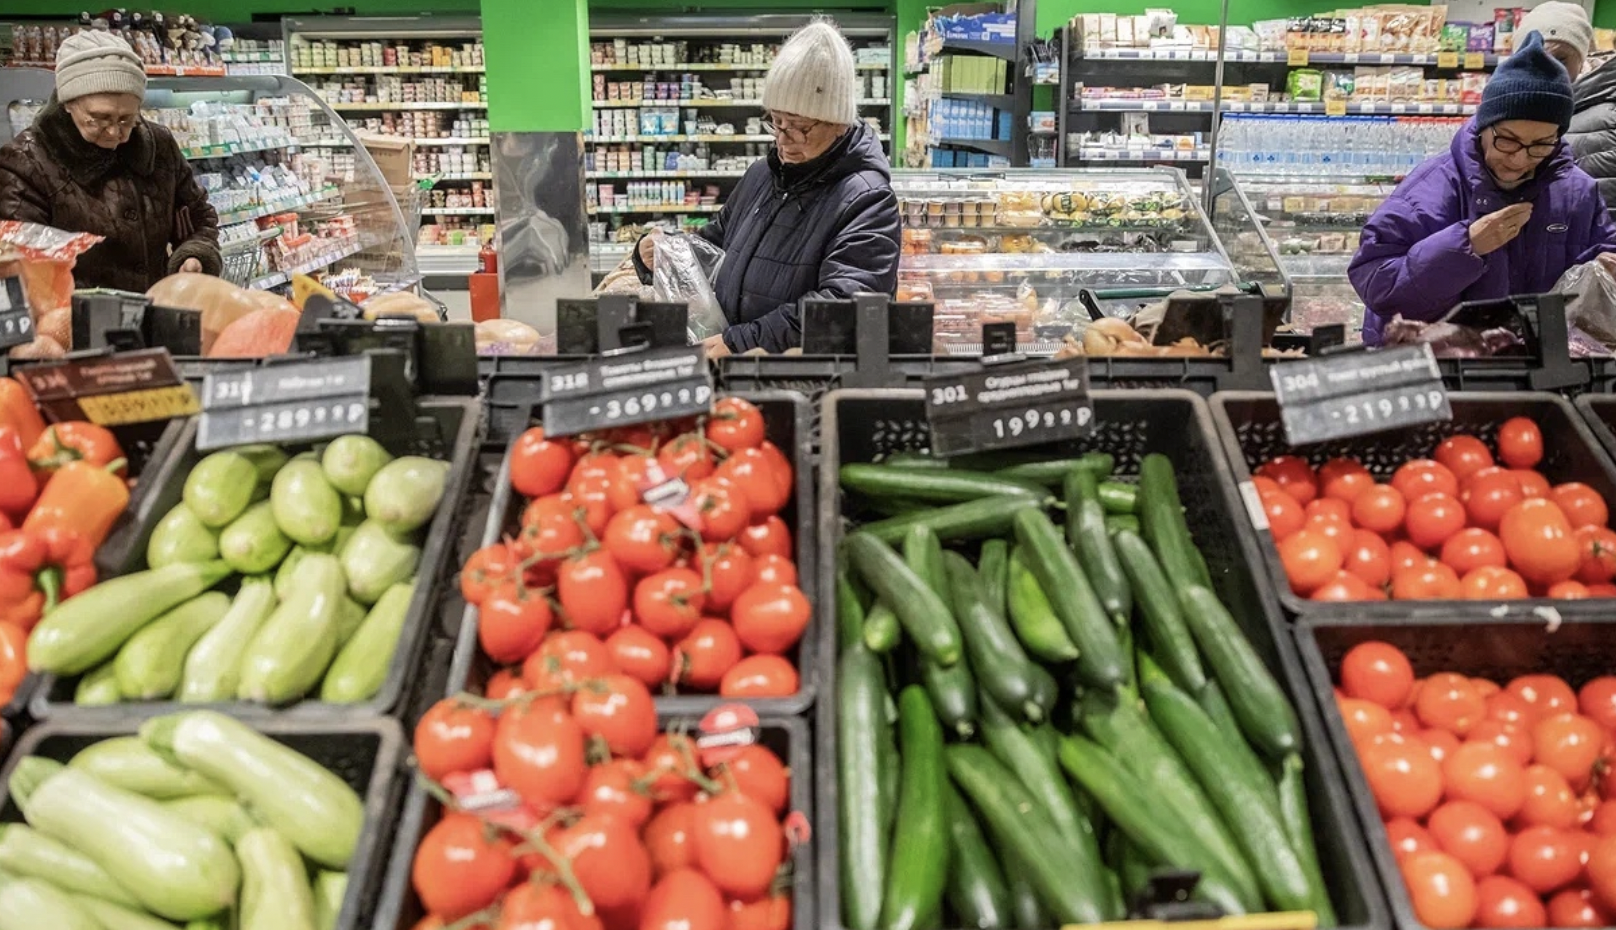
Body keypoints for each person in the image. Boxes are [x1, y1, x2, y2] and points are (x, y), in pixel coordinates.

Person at [634, 19, 900, 356]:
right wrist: (661, 254)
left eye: (799, 126)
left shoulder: (868, 199)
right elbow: (714, 246)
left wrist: (743, 341)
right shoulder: (762, 175)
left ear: (839, 122)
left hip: (799, 377)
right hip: (734, 364)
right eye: (776, 121)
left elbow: (845, 307)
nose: (783, 139)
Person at [1349, 31, 1616, 345]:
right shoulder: (1428, 190)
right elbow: (1377, 286)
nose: (1519, 159)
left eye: (1541, 145)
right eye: (1508, 140)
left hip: (1540, 375)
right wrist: (1465, 247)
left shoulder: (1577, 193)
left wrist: (1606, 266)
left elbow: (1601, 254)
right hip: (1443, 373)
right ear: (1484, 126)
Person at [0, 31, 220, 293]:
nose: (115, 132)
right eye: (99, 118)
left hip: (159, 316)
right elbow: (21, 267)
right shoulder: (26, 163)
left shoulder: (158, 145)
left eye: (127, 118)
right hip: (75, 325)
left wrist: (194, 255)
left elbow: (198, 216)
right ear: (68, 103)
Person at [1518, 2, 1616, 212]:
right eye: (1536, 57)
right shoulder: (1508, 111)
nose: (1549, 68)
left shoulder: (1609, 117)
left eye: (1561, 58)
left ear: (1582, 59)